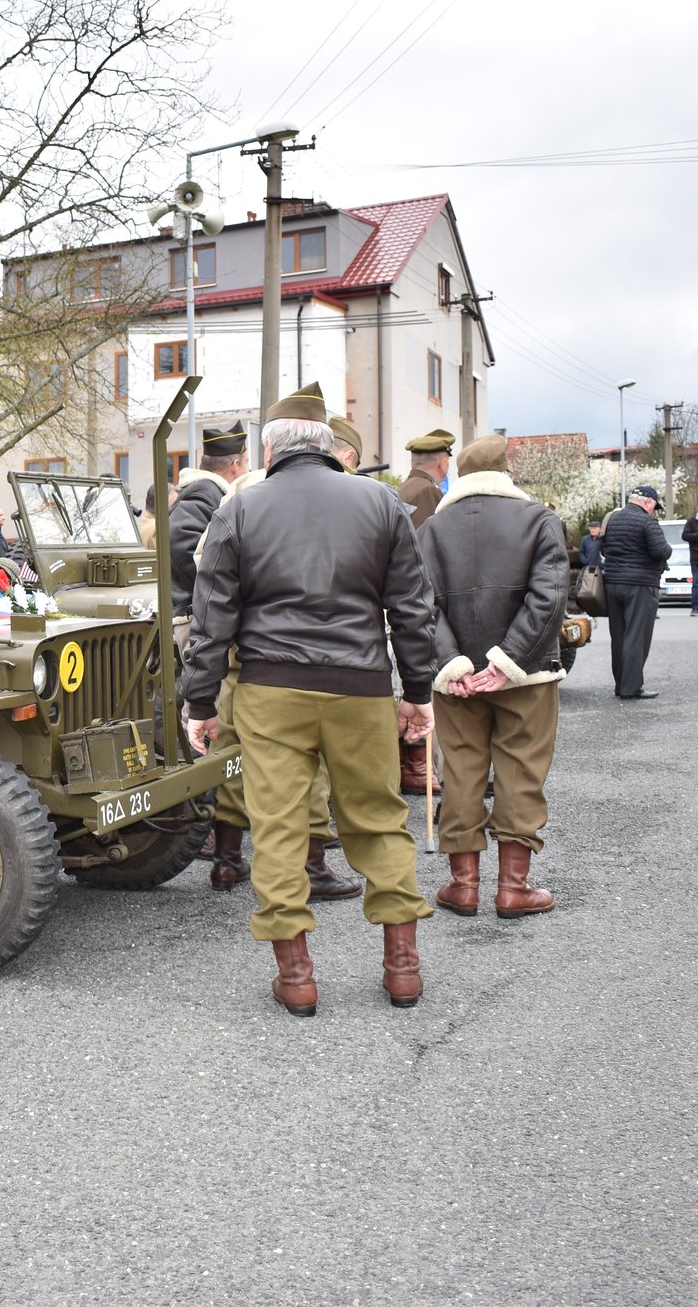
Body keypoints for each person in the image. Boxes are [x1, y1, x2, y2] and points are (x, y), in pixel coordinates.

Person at [184, 412, 438, 1017]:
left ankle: (296, 976)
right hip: (361, 687)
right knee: (380, 820)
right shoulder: (380, 502)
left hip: (271, 689)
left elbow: (212, 615)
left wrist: (201, 702)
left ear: (269, 453)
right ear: (330, 449)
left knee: (277, 825)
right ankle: (402, 966)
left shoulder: (240, 509)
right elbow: (411, 605)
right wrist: (417, 690)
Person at [416, 434, 568, 921]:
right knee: (522, 770)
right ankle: (513, 889)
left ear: (460, 473)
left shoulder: (432, 529)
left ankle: (463, 887)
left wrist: (452, 662)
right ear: (506, 473)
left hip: (456, 679)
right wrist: (507, 661)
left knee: (460, 770)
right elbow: (549, 598)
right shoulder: (540, 520)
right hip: (527, 676)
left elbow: (419, 605)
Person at [168, 420, 248, 650]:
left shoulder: (207, 493)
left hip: (204, 615)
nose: (247, 471)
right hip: (197, 618)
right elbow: (180, 543)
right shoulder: (204, 495)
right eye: (246, 463)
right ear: (235, 465)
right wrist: (222, 589)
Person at [600, 485, 670, 699]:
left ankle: (621, 685)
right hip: (640, 585)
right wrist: (668, 549)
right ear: (648, 502)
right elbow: (660, 550)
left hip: (613, 584)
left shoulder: (612, 519)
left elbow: (603, 548)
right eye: (654, 507)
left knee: (619, 637)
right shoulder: (647, 522)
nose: (654, 511)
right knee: (636, 637)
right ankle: (631, 688)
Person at [399, 428, 456, 528]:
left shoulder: (403, 488)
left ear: (412, 463)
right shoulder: (427, 491)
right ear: (442, 464)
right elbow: (427, 535)